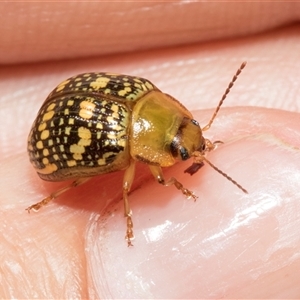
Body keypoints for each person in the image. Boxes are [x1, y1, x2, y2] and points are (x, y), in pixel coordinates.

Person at [1, 2, 299, 298]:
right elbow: (145, 183)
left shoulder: (142, 89)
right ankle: (51, 199)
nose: (195, 146)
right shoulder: (121, 140)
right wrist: (160, 194)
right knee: (93, 182)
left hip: (75, 95)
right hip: (53, 138)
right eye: (184, 150)